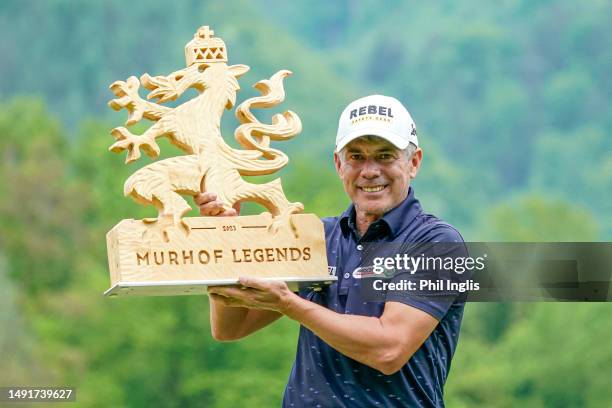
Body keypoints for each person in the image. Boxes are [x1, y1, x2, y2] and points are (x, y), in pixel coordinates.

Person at [195, 95, 467, 407]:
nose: (369, 171)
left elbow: (389, 349)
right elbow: (231, 326)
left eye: (385, 156)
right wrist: (225, 240)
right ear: (339, 164)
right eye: (356, 156)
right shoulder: (316, 237)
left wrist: (291, 305)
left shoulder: (436, 243)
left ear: (414, 162)